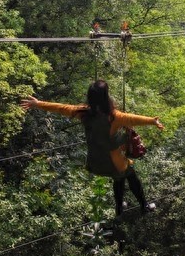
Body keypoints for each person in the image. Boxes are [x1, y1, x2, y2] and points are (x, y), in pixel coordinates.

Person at [20, 80, 163, 216]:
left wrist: (38, 104)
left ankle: (119, 208)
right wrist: (152, 121)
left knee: (118, 179)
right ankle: (144, 206)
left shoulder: (84, 112)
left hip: (96, 161)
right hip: (114, 161)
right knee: (131, 177)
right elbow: (132, 119)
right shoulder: (113, 116)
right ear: (106, 97)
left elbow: (61, 108)